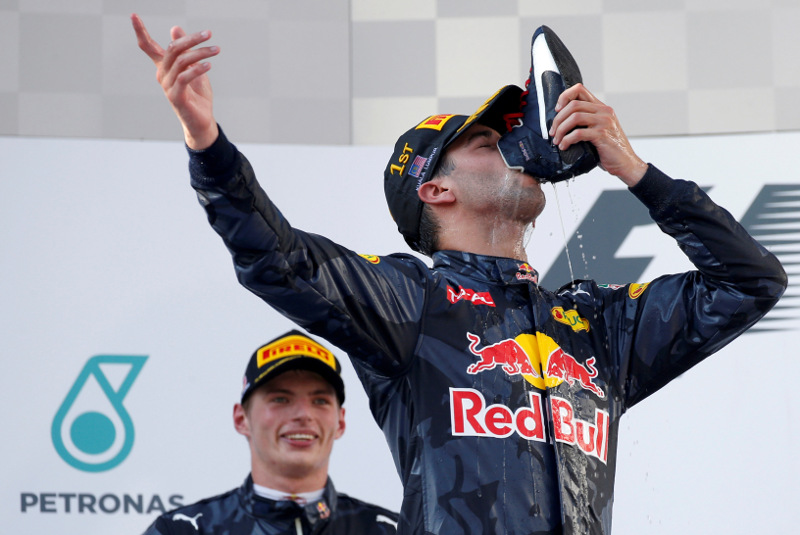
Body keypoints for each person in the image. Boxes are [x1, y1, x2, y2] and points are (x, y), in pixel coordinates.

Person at [132, 14, 787, 535]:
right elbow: (276, 257)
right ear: (434, 190)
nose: (518, 148)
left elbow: (751, 281)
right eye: (486, 143)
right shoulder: (411, 302)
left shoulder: (598, 326)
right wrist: (206, 140)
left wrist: (637, 173)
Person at [141, 330, 399, 534]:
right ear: (242, 419)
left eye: (320, 400)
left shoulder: (392, 530)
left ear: (340, 422)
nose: (303, 414)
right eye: (281, 399)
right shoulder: (182, 530)